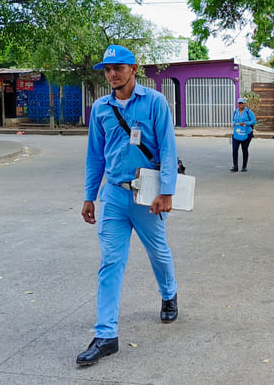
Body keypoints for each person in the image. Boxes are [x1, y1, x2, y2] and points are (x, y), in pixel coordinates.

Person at [78, 45, 179, 367]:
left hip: (147, 196)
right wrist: (90, 195)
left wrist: (167, 191)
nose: (112, 74)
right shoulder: (101, 108)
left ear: (134, 69)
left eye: (118, 68)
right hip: (113, 196)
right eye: (107, 70)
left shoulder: (155, 102)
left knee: (158, 251)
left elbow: (168, 147)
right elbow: (95, 155)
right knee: (110, 262)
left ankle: (169, 293)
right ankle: (106, 334)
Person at [230, 97, 257, 172]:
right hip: (237, 133)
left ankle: (244, 166)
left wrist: (245, 123)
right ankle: (235, 166)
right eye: (239, 103)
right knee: (235, 149)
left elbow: (254, 121)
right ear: (238, 104)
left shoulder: (248, 112)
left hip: (246, 133)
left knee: (244, 149)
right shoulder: (235, 112)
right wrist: (234, 124)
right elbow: (233, 120)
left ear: (245, 104)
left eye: (242, 103)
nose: (241, 104)